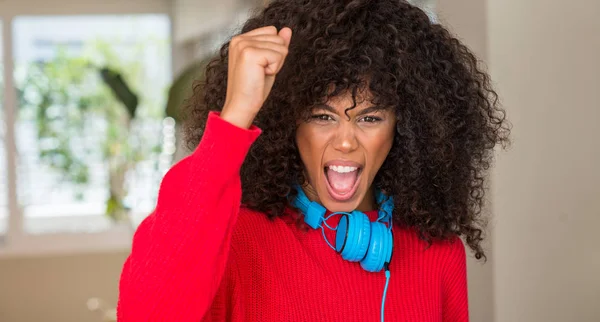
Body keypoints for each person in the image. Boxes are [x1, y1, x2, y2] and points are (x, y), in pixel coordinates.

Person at [117, 0, 510, 321]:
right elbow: (144, 312)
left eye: (369, 118)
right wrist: (236, 115)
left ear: (405, 128)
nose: (344, 141)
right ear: (289, 121)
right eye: (323, 116)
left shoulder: (437, 252)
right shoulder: (237, 238)